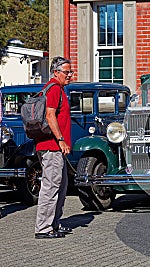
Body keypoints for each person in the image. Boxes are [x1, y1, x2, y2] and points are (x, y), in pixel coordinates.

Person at [34, 57, 73, 239]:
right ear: (56, 72)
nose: (70, 75)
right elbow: (50, 116)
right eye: (66, 72)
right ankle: (43, 228)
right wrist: (61, 140)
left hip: (55, 148)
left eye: (70, 72)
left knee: (61, 185)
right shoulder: (54, 89)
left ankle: (54, 224)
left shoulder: (57, 88)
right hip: (52, 147)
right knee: (50, 187)